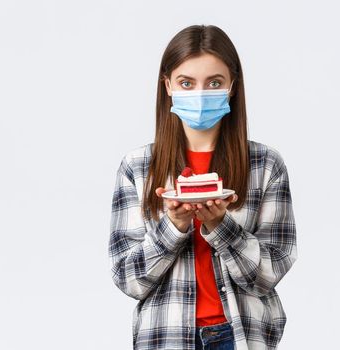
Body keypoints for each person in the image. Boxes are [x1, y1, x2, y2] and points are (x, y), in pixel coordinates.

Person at [109, 24, 298, 350]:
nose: (199, 93)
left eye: (214, 82)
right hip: (165, 335)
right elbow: (128, 278)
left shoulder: (265, 165)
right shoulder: (138, 167)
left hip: (239, 335)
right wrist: (175, 225)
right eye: (186, 82)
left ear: (232, 87)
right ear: (167, 85)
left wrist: (220, 225)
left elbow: (270, 272)